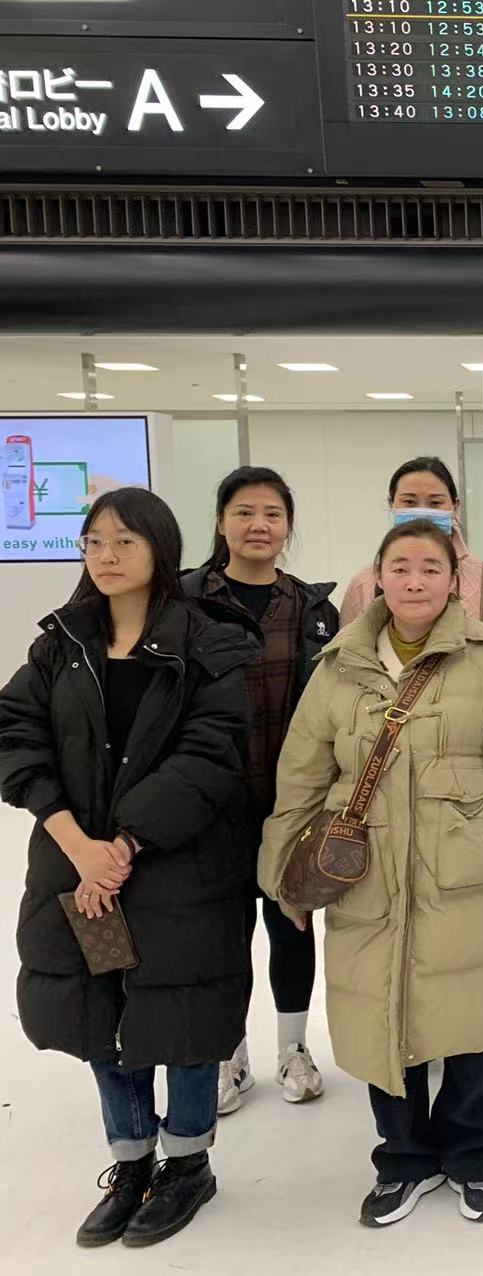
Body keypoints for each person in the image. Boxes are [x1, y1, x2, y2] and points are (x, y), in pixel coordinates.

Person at [259, 520, 483, 1228]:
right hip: (367, 879)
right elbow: (301, 776)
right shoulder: (338, 667)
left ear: (454, 581)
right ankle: (402, 1159)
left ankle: (474, 1154)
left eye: (431, 567)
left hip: (466, 875)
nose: (415, 580)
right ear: (378, 577)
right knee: (381, 1016)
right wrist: (284, 875)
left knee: (470, 1021)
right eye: (401, 567)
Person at [0, 488, 255, 1249]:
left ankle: (188, 1164)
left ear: (160, 549)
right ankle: (132, 1159)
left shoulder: (209, 642)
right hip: (83, 873)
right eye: (94, 543)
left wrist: (126, 844)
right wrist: (78, 844)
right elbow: (15, 735)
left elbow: (210, 754)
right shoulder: (62, 643)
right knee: (101, 1010)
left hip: (179, 870)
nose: (106, 557)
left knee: (180, 1014)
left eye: (124, 542)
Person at [182, 466, 339, 1115]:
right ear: (221, 522)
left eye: (273, 514)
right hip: (211, 801)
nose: (259, 525)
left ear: (287, 526)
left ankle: (294, 1049)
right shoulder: (185, 601)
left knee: (291, 921)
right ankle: (230, 1056)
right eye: (244, 512)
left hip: (289, 802)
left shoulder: (312, 609)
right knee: (222, 933)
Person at [339, 456, 483, 627]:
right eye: (410, 502)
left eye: (435, 503)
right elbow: (347, 645)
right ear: (392, 504)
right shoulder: (363, 585)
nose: (422, 512)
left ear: (455, 507)